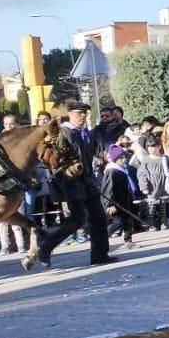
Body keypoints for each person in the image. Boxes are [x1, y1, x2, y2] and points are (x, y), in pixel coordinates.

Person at [39, 101, 114, 267]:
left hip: (87, 181)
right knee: (77, 219)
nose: (83, 116)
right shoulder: (63, 133)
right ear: (70, 114)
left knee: (99, 217)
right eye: (79, 113)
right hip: (71, 182)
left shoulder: (83, 133)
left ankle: (100, 255)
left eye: (85, 113)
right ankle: (46, 245)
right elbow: (56, 162)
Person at [101, 144, 141, 244]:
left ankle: (128, 241)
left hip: (124, 201)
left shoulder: (121, 169)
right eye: (121, 158)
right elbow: (107, 189)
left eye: (124, 157)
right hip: (116, 203)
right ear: (115, 159)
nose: (124, 160)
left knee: (127, 221)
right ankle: (101, 237)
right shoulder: (112, 171)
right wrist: (109, 204)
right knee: (118, 223)